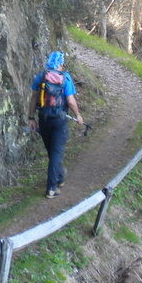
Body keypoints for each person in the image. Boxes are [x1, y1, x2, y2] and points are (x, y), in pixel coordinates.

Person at [27, 50, 83, 199]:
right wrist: (77, 115)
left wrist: (31, 117)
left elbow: (33, 98)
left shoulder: (41, 77)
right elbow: (70, 101)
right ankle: (51, 188)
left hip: (43, 119)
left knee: (52, 152)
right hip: (59, 120)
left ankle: (60, 176)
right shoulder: (66, 78)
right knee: (56, 153)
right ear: (60, 63)